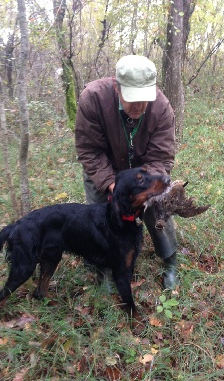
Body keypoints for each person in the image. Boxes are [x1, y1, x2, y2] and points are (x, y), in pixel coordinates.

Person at [75, 54, 178, 289]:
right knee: (100, 213)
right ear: (116, 87)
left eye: (145, 100)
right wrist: (112, 184)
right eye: (133, 99)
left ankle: (170, 258)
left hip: (143, 169)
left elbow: (160, 155)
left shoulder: (161, 107)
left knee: (156, 205)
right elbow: (89, 150)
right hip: (104, 168)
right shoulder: (93, 99)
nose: (140, 107)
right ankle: (104, 265)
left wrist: (143, 189)